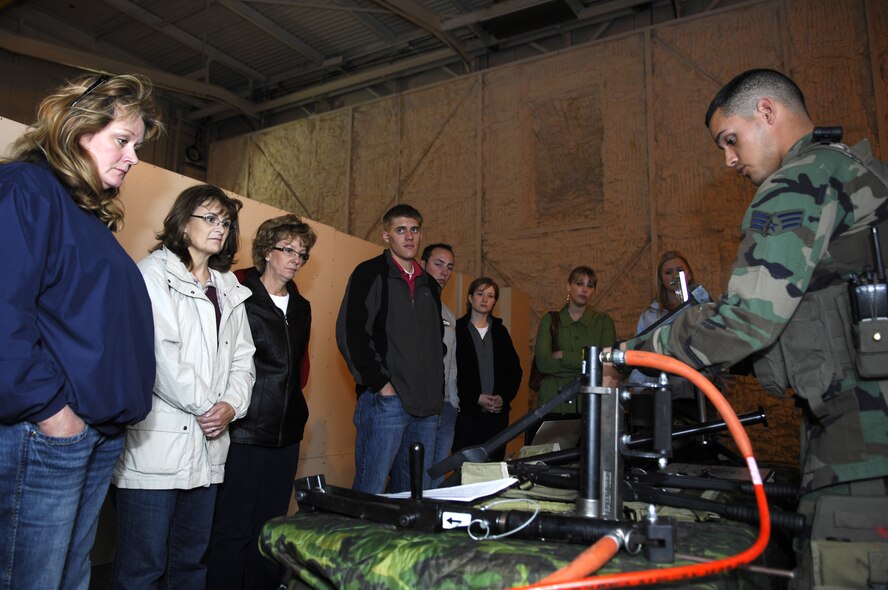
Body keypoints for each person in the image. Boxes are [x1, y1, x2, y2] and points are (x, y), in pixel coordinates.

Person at [607, 69, 888, 588]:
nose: (729, 160)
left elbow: (745, 322)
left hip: (862, 439)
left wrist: (631, 354)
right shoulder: (862, 170)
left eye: (730, 140)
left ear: (766, 111)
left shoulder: (799, 181)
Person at [0, 73, 162, 590]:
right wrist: (53, 414)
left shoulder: (86, 216)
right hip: (51, 432)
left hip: (93, 434)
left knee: (68, 578)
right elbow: (4, 312)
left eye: (135, 144)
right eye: (122, 140)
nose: (133, 157)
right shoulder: (26, 187)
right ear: (75, 130)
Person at [111, 184, 256, 589]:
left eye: (225, 222)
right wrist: (212, 406)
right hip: (156, 451)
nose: (220, 228)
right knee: (143, 569)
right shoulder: (153, 274)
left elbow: (244, 358)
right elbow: (161, 355)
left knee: (191, 564)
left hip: (208, 448)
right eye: (209, 218)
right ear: (182, 221)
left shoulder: (228, 288)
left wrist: (231, 406)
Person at [205, 214, 316, 589]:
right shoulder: (239, 296)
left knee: (270, 530)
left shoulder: (302, 307)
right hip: (245, 429)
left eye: (302, 254)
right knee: (232, 527)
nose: (295, 259)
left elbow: (299, 367)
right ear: (267, 251)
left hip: (286, 434)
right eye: (288, 250)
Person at [336, 204, 444, 493]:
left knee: (415, 495)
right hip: (387, 403)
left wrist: (436, 392)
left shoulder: (430, 286)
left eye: (414, 229)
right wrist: (381, 384)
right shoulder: (369, 273)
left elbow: (436, 346)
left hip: (427, 408)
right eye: (400, 230)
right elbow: (351, 334)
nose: (409, 237)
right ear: (386, 236)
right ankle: (360, 540)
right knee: (370, 492)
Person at [452, 278, 522, 461]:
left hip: (497, 416)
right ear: (470, 297)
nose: (485, 299)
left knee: (493, 470)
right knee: (465, 469)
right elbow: (452, 372)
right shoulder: (457, 330)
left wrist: (503, 397)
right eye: (480, 293)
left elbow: (514, 371)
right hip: (466, 414)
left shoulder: (500, 331)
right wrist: (475, 397)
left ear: (494, 302)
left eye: (490, 296)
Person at [629, 251, 709, 409]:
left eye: (680, 270)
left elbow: (720, 349)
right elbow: (640, 355)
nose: (675, 276)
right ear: (661, 279)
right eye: (668, 272)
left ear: (689, 274)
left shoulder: (704, 310)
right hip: (663, 398)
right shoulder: (650, 316)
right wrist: (640, 389)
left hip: (702, 396)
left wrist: (721, 385)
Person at [534, 266, 616, 413]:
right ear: (568, 286)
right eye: (579, 284)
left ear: (594, 291)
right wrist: (588, 363)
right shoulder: (549, 320)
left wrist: (564, 355)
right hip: (554, 401)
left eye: (590, 286)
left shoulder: (604, 321)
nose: (584, 289)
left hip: (591, 402)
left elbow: (606, 363)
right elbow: (543, 363)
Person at [417, 243, 459, 487]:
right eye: (438, 264)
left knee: (440, 470)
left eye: (450, 267)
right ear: (422, 264)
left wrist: (454, 400)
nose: (445, 272)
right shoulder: (413, 304)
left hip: (447, 404)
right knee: (419, 471)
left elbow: (451, 361)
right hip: (423, 404)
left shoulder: (448, 314)